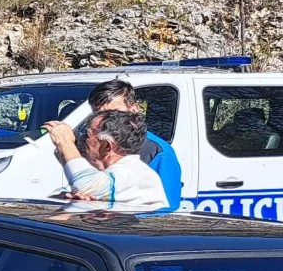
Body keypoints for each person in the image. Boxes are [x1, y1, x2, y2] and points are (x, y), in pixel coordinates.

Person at [87, 79, 182, 209]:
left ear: (134, 109)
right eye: (99, 114)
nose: (106, 120)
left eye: (114, 112)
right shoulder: (90, 146)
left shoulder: (158, 152)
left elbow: (166, 210)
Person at [43, 110, 167, 209]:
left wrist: (65, 142)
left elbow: (85, 183)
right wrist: (66, 199)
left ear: (107, 146)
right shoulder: (105, 176)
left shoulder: (133, 174)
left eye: (88, 134)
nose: (82, 139)